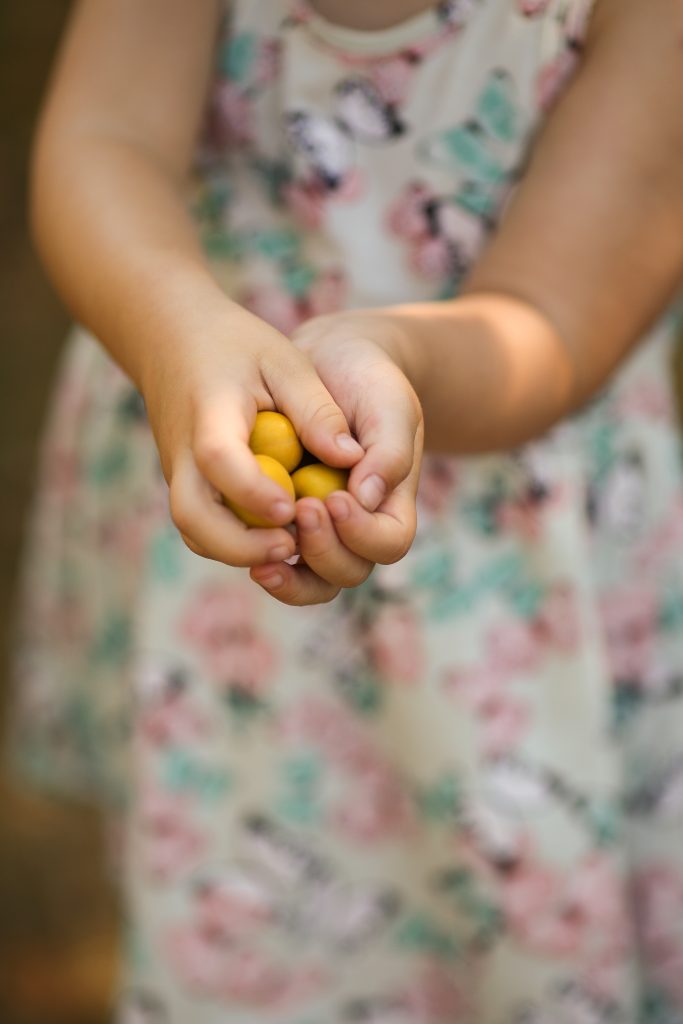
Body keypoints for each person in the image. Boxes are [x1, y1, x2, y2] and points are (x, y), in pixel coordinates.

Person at [11, 0, 683, 1019]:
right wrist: (175, 330)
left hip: (506, 578)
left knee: (506, 925)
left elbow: (548, 319)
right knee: (250, 905)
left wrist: (392, 362)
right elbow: (106, 138)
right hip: (216, 501)